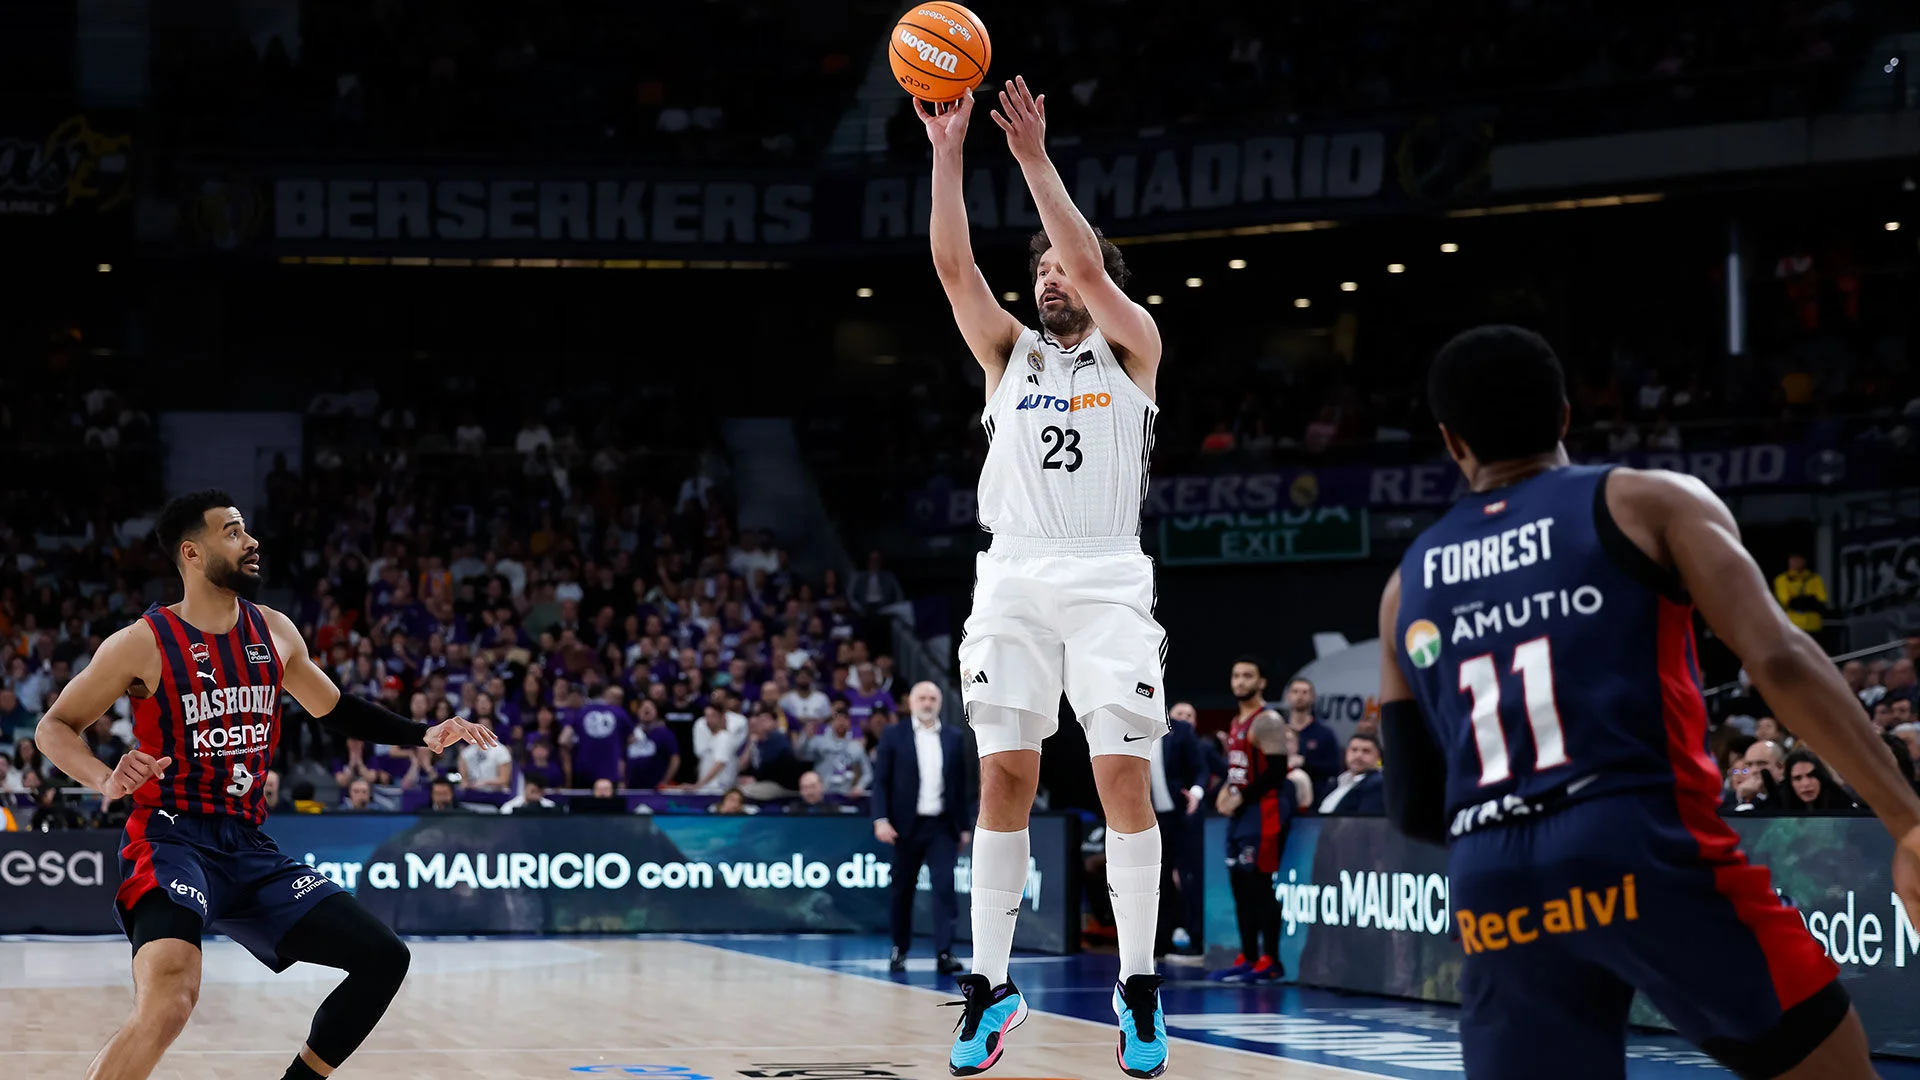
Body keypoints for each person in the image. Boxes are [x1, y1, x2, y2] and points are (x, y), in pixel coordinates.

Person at [1377, 327, 1920, 1079]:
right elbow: (1780, 660)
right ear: (1565, 415)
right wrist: (1907, 820)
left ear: (1450, 440)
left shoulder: (1407, 584)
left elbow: (1409, 803)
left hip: (1491, 876)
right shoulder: (1644, 500)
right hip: (1638, 839)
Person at [32, 490, 495, 1080]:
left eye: (246, 529)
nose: (250, 541)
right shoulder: (142, 642)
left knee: (383, 957)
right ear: (192, 553)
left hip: (248, 847)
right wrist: (104, 776)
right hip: (170, 839)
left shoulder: (274, 632)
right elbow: (55, 728)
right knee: (171, 999)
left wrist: (423, 733)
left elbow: (335, 708)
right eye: (231, 532)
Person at [923, 76, 1172, 1079]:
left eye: (1064, 270)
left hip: (1107, 576)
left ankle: (1140, 986)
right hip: (1015, 577)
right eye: (1039, 272)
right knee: (1005, 778)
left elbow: (1078, 257)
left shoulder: (1133, 347)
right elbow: (951, 265)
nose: (1047, 279)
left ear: (1098, 278)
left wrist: (1030, 160)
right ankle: (990, 986)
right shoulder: (1008, 354)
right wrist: (947, 152)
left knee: (1121, 781)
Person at [872, 682, 970, 977]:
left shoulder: (953, 736)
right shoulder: (893, 734)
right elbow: (881, 782)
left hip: (941, 824)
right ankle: (899, 948)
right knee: (902, 889)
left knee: (944, 887)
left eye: (932, 698)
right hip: (905, 826)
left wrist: (963, 827)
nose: (927, 703)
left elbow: (961, 785)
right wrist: (880, 818)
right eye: (922, 698)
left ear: (939, 703)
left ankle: (944, 951)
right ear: (911, 702)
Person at [1212, 708, 1293, 984]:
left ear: (1260, 682)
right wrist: (1226, 791)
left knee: (1260, 885)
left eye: (1248, 675)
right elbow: (1237, 771)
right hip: (1241, 817)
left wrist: (1242, 797)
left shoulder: (1266, 720)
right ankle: (1247, 956)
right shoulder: (1236, 722)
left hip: (1262, 814)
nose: (1240, 681)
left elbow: (1277, 772)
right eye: (1237, 675)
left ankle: (1270, 958)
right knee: (1240, 887)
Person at [1153, 702, 1207, 957]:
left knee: (1189, 878)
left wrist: (1196, 792)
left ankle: (1197, 941)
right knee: (1158, 881)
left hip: (1183, 815)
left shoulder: (1181, 730)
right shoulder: (1129, 729)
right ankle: (1160, 942)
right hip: (1152, 819)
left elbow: (1200, 768)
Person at [1318, 734, 1386, 815]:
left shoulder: (1377, 784)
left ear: (1378, 758)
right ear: (1346, 753)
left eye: (1366, 751)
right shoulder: (1335, 782)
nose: (1358, 756)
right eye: (1354, 750)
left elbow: (1366, 823)